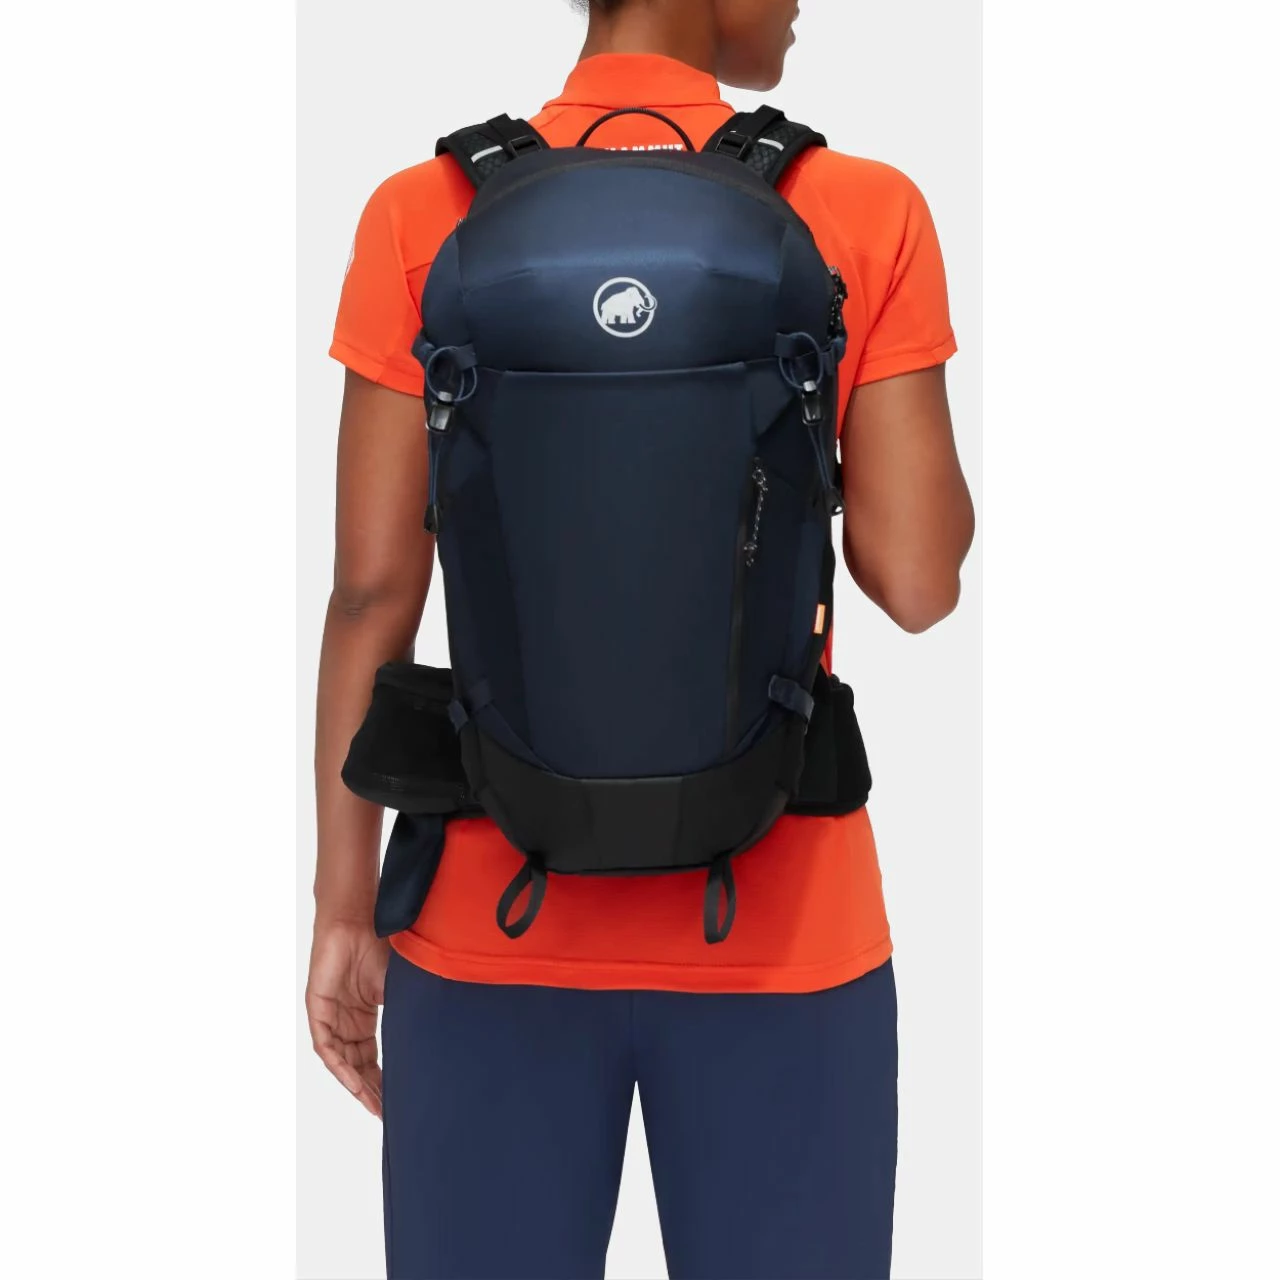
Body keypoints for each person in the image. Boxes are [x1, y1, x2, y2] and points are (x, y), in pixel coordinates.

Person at [308, 1, 974, 1276]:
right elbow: (917, 577)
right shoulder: (863, 208)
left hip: (484, 935)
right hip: (786, 941)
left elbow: (370, 594)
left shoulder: (424, 212)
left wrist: (344, 910)